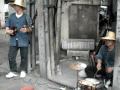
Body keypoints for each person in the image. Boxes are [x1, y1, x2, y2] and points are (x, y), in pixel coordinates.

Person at [5, 0, 32, 78]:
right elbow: (7, 28)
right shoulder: (11, 16)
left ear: (20, 7)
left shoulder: (26, 17)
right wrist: (8, 31)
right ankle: (13, 71)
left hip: (23, 39)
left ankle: (23, 70)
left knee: (24, 56)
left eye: (16, 6)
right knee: (11, 56)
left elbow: (31, 28)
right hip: (13, 40)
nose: (15, 7)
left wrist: (26, 30)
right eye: (14, 6)